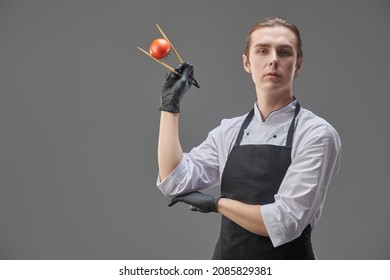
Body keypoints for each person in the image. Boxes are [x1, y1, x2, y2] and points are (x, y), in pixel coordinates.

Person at [156, 17, 341, 259]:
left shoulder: (316, 133)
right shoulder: (228, 132)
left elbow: (284, 223)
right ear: (247, 63)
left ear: (297, 65)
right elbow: (174, 181)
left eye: (284, 52)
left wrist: (217, 203)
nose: (273, 59)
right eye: (262, 50)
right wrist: (170, 107)